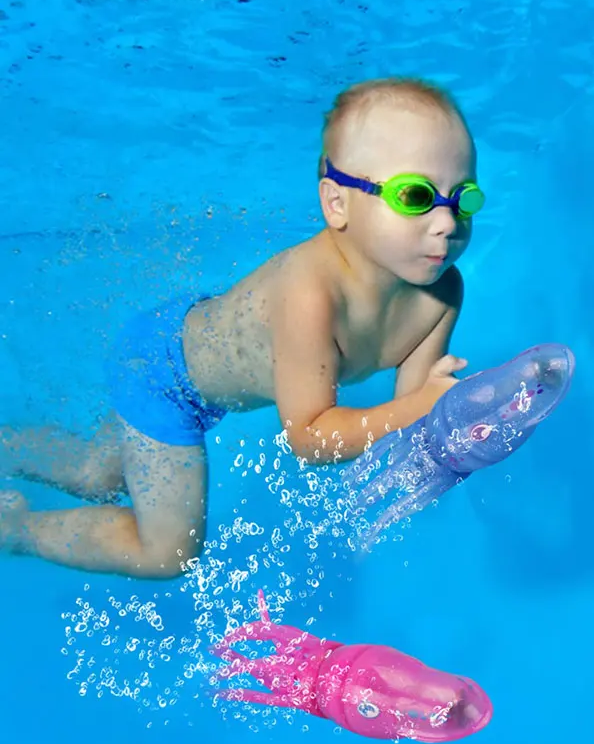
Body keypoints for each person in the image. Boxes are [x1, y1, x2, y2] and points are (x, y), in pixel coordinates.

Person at [0, 78, 484, 579]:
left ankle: (8, 447)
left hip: (196, 352)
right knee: (167, 553)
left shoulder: (442, 293)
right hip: (163, 375)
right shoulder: (309, 292)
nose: (447, 221)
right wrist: (421, 407)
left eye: (463, 198)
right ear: (337, 203)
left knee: (95, 473)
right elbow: (311, 439)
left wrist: (455, 431)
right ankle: (14, 528)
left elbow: (412, 423)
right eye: (416, 195)